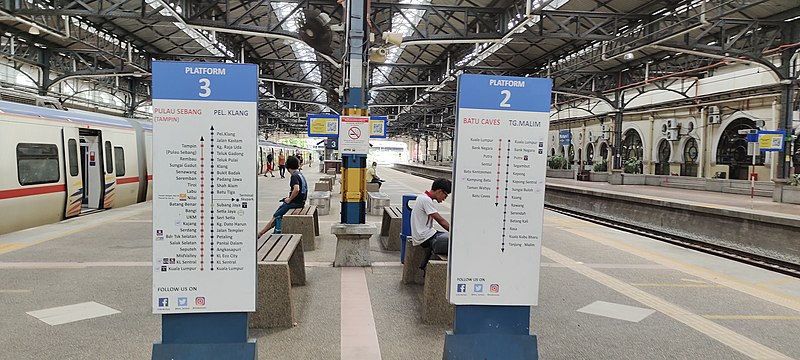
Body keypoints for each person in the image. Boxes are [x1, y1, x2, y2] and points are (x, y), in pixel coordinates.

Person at [258, 156, 308, 237]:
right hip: (301, 201)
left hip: (295, 203)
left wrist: (289, 199)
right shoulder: (299, 174)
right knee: (282, 205)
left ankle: (261, 233)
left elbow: (296, 189)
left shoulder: (294, 176)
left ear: (287, 167)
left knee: (276, 215)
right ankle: (262, 232)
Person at [410, 178, 451, 272]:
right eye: (445, 195)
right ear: (439, 191)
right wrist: (455, 232)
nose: (445, 198)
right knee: (454, 242)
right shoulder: (425, 200)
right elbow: (441, 221)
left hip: (425, 235)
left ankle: (424, 264)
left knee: (447, 238)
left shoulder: (423, 197)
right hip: (424, 237)